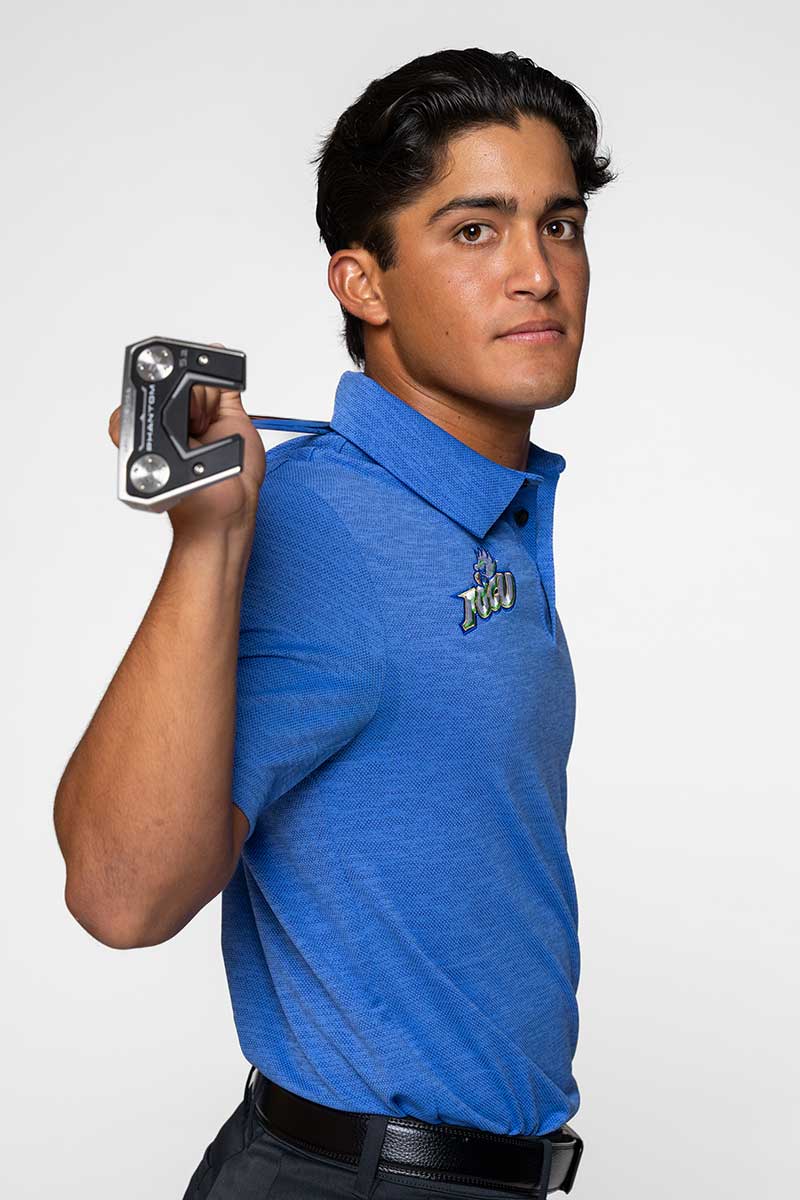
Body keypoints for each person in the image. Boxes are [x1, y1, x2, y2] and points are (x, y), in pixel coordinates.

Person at [54, 46, 616, 1198]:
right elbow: (121, 892)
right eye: (474, 230)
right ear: (363, 286)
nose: (536, 273)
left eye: (556, 225)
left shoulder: (483, 512)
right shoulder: (323, 527)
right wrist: (211, 541)